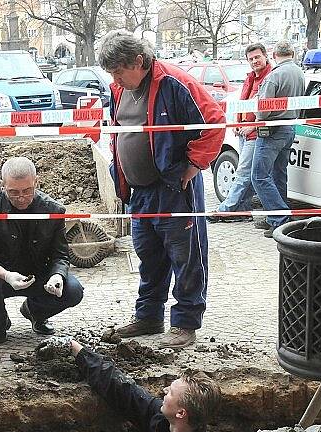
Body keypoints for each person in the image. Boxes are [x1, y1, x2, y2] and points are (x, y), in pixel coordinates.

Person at [100, 30, 224, 349]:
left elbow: (214, 122)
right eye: (111, 73)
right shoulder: (118, 89)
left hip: (172, 187)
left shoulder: (174, 81)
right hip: (139, 191)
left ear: (138, 61)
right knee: (149, 256)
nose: (115, 79)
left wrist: (195, 163)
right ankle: (149, 316)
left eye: (118, 71)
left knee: (186, 256)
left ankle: (184, 323)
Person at [0, 157, 84, 344]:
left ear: (36, 182)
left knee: (73, 290)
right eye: (13, 192)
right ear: (2, 185)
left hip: (40, 274)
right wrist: (5, 275)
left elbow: (60, 254)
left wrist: (57, 276)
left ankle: (35, 312)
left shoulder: (54, 209)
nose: (21, 198)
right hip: (1, 273)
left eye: (27, 191)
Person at [45, 337, 221, 432]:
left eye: (171, 393)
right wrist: (76, 349)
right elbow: (123, 389)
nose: (164, 390)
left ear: (181, 413)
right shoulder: (163, 421)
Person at [208, 43, 273, 224]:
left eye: (257, 57)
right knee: (248, 173)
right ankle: (243, 210)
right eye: (251, 59)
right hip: (243, 130)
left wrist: (252, 125)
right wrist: (238, 122)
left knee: (243, 172)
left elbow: (267, 109)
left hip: (255, 133)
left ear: (265, 56)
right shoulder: (250, 78)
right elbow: (243, 101)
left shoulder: (269, 79)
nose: (254, 61)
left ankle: (225, 210)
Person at [250, 40, 305, 238]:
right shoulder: (299, 73)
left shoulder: (274, 76)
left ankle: (279, 219)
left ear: (273, 55)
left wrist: (256, 113)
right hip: (290, 127)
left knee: (259, 176)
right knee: (278, 174)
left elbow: (263, 111)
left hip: (272, 130)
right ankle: (276, 217)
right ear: (292, 53)